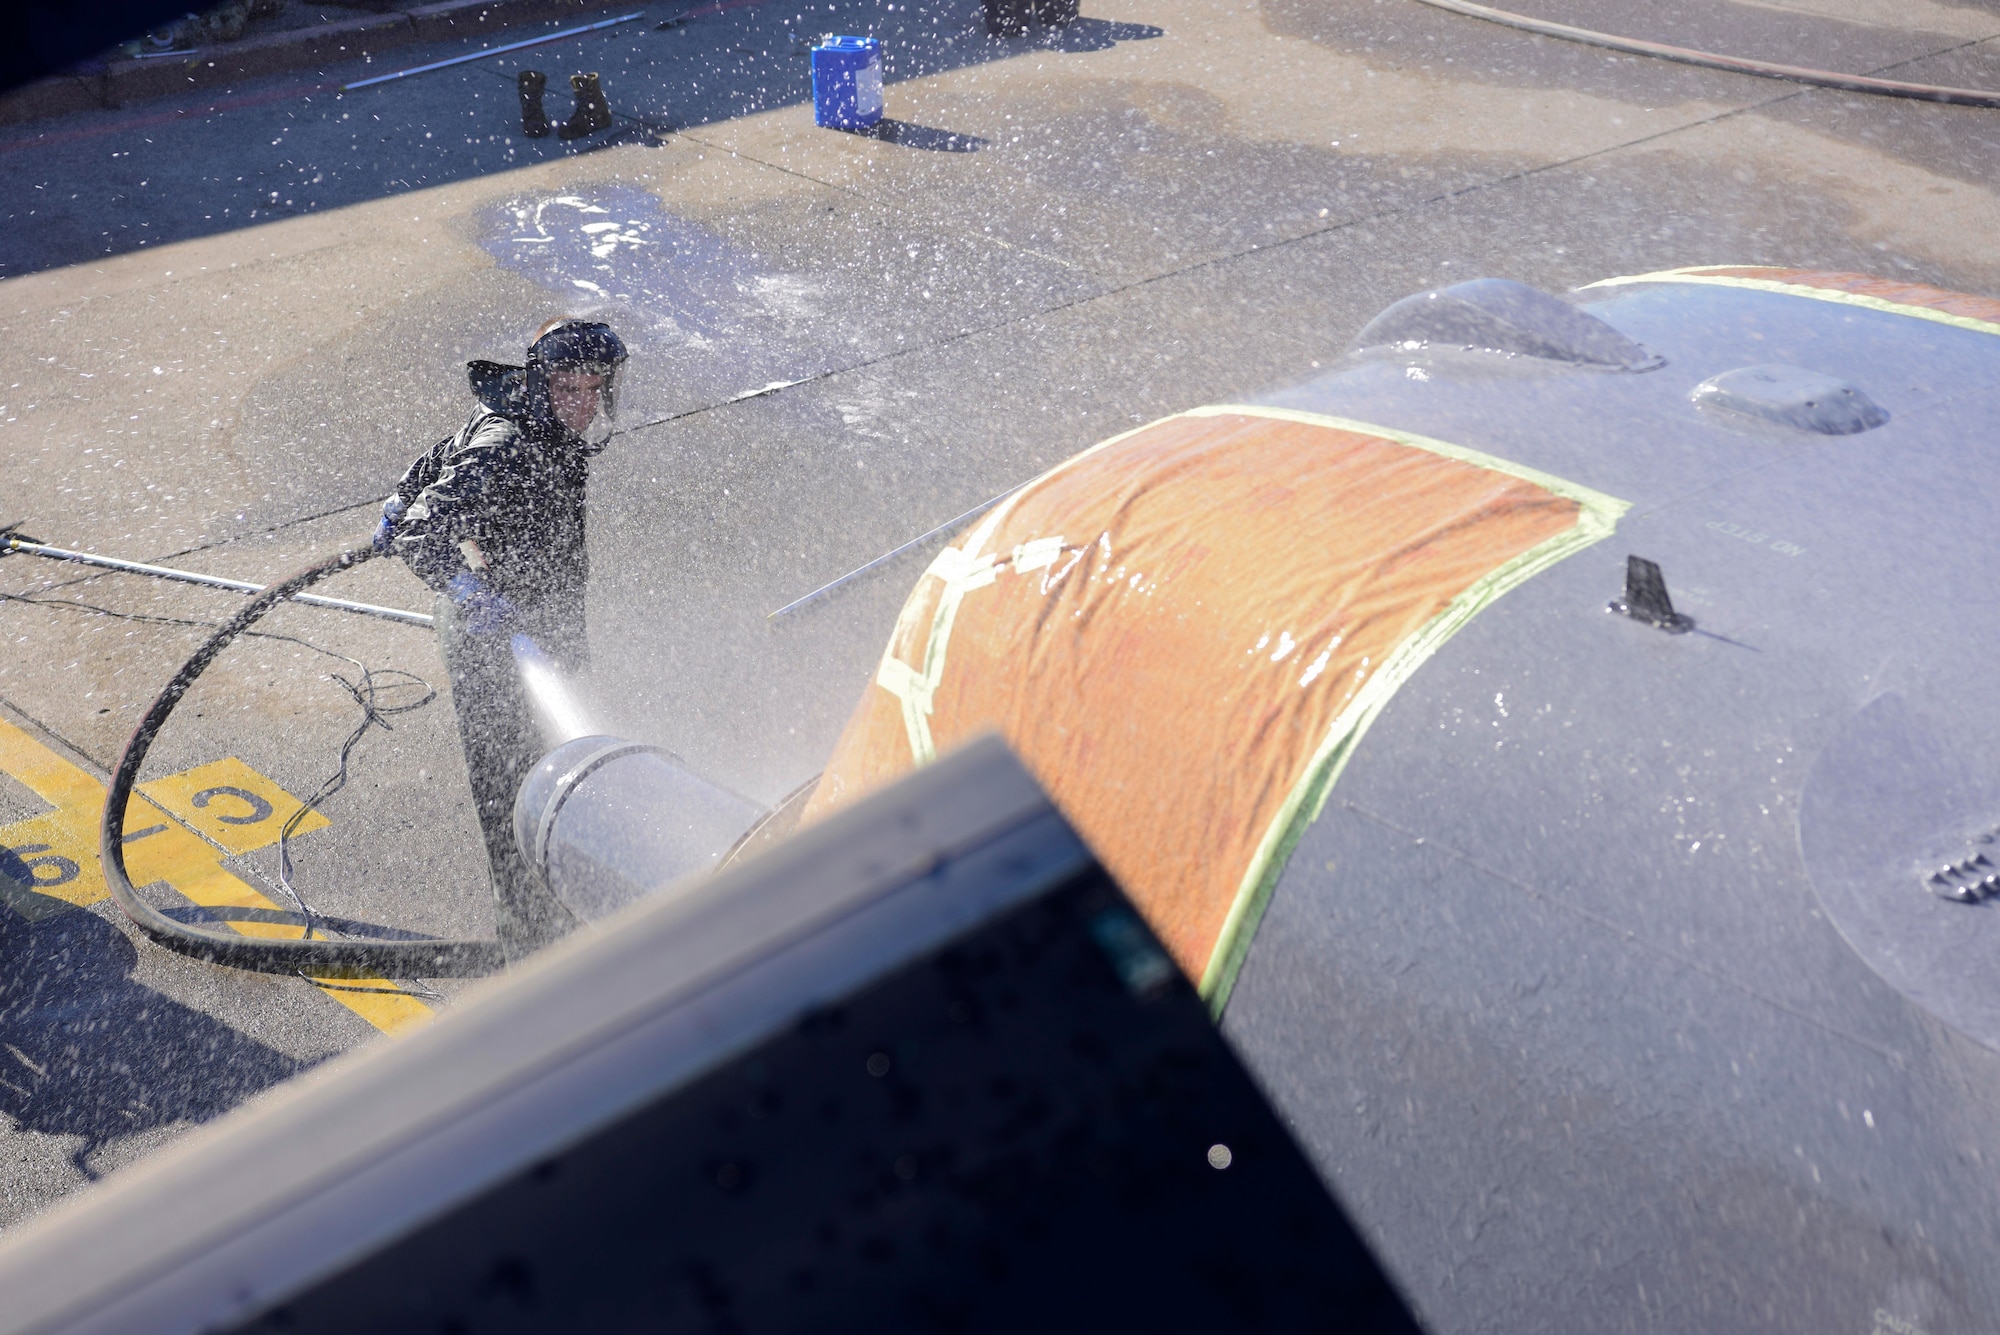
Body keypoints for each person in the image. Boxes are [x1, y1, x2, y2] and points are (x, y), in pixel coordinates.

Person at [377, 317, 628, 957]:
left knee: (557, 771)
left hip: (536, 620)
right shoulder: (508, 443)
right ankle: (533, 945)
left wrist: (405, 494)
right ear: (542, 382)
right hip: (493, 639)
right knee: (513, 790)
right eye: (570, 388)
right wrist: (465, 590)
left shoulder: (535, 421)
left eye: (595, 388)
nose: (584, 404)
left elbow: (436, 458)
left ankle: (563, 910)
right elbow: (420, 532)